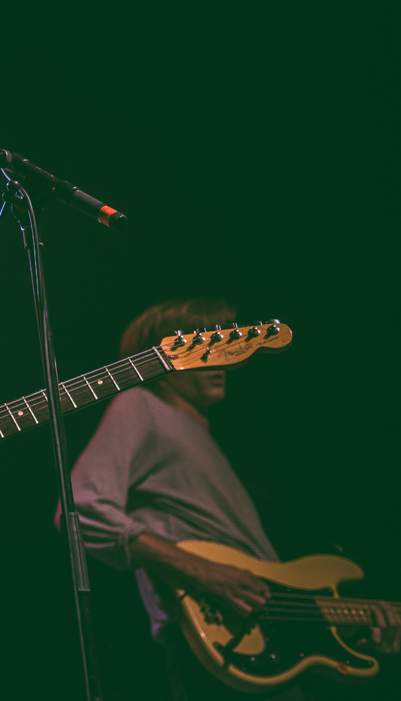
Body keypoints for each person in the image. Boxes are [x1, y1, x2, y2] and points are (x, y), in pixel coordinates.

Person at [63, 299, 399, 700]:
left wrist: (359, 633)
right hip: (216, 635)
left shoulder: (203, 437)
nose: (220, 358)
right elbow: (81, 509)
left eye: (220, 344)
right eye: (201, 347)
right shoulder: (141, 406)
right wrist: (202, 571)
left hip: (269, 639)